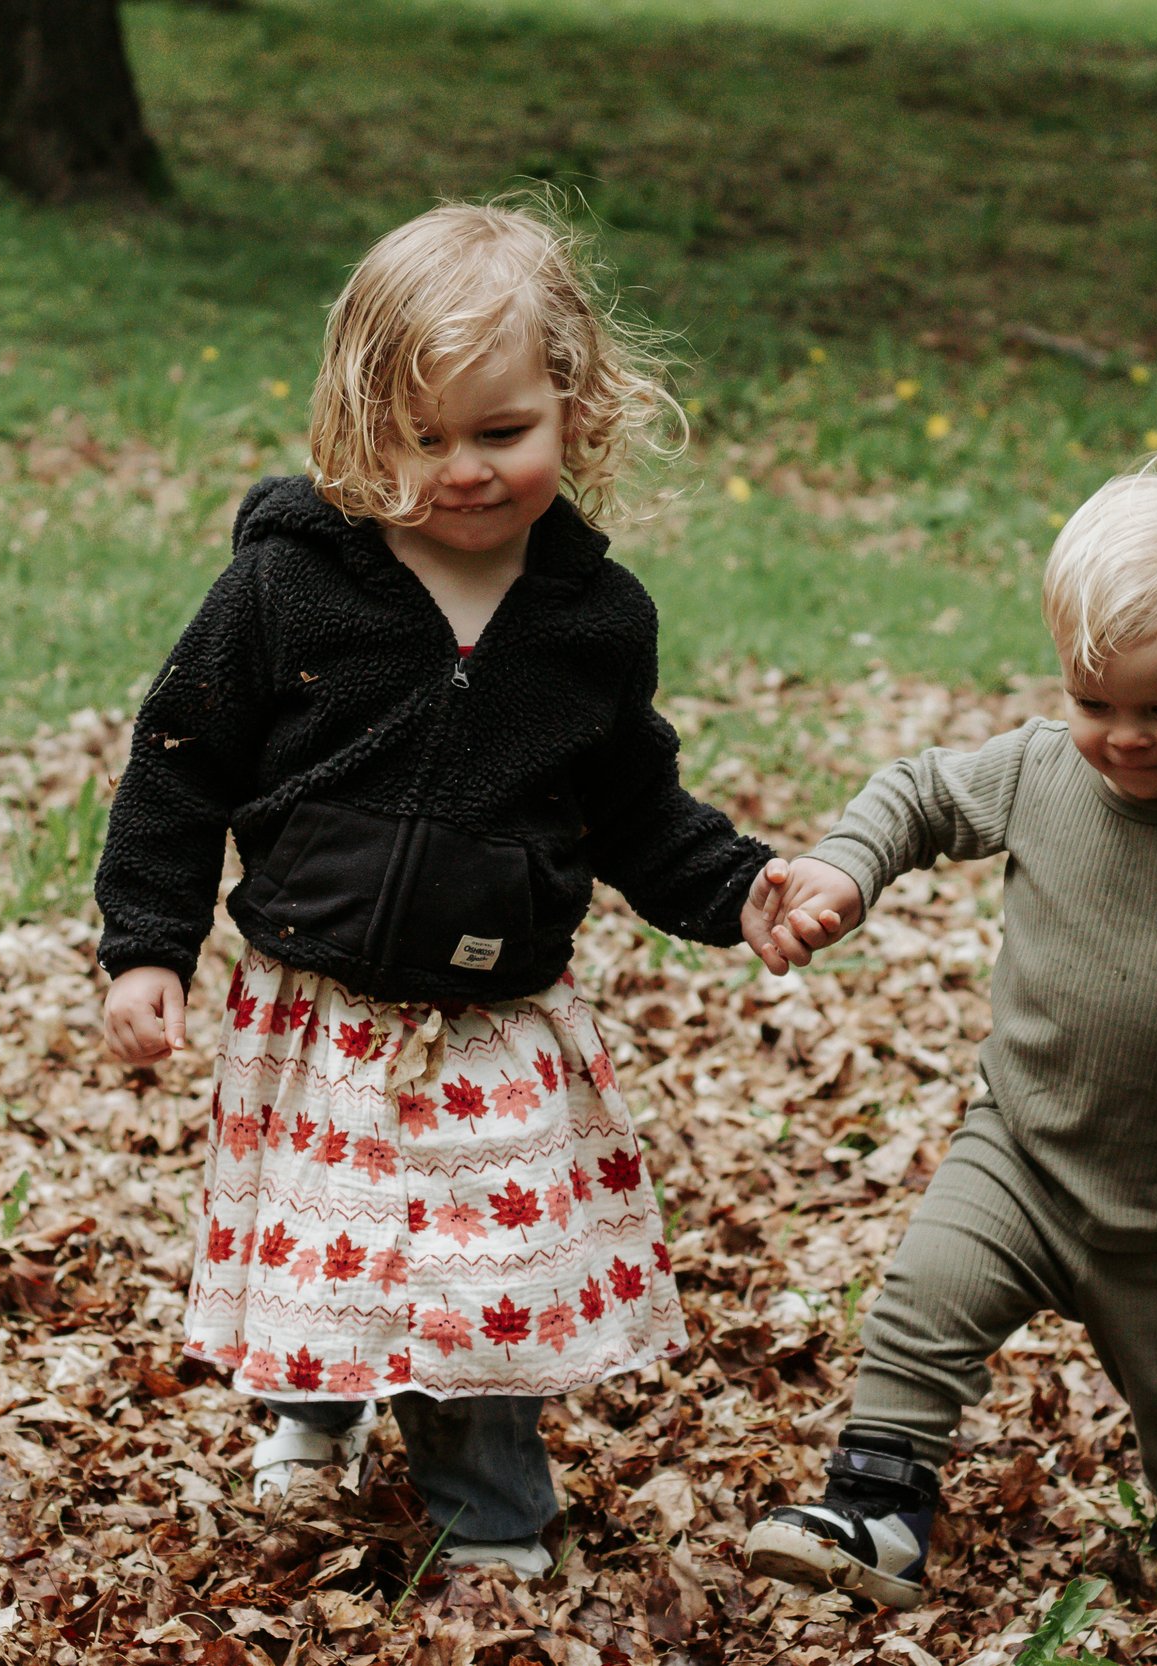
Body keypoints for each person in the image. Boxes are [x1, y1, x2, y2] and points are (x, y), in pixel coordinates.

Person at [93, 200, 771, 1578]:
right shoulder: (292, 584)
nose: (461, 470)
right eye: (422, 437)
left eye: (500, 432)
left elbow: (634, 802)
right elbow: (179, 763)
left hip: (492, 1020)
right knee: (331, 1240)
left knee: (479, 1276)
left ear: (575, 410)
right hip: (322, 1004)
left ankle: (490, 1511)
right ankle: (312, 1410)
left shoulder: (591, 621)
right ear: (359, 424)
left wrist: (744, 888)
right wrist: (146, 943)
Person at [738, 457, 1157, 1604]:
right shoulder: (1034, 771)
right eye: (1092, 700)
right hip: (1015, 1148)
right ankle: (878, 1511)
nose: (1122, 736)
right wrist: (843, 867)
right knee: (922, 1302)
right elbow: (920, 795)